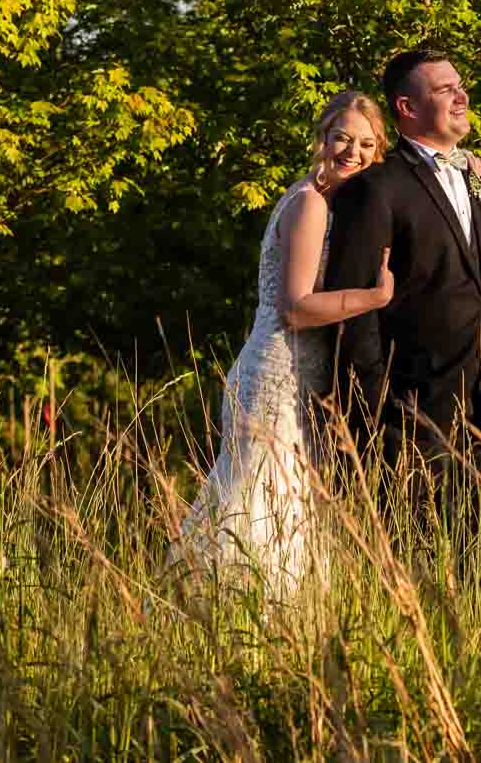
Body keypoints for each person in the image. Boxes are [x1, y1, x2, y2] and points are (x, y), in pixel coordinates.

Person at [179, 90, 398, 589]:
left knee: (281, 510)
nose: (353, 152)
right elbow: (297, 309)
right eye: (342, 137)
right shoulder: (311, 204)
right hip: (278, 378)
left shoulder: (323, 201)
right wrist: (374, 297)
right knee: (261, 510)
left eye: (366, 144)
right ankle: (242, 617)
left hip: (295, 377)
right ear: (322, 138)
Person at [323, 48, 481, 484]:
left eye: (461, 87)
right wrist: (376, 413)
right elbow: (351, 315)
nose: (462, 97)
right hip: (407, 423)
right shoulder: (375, 189)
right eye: (445, 89)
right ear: (408, 107)